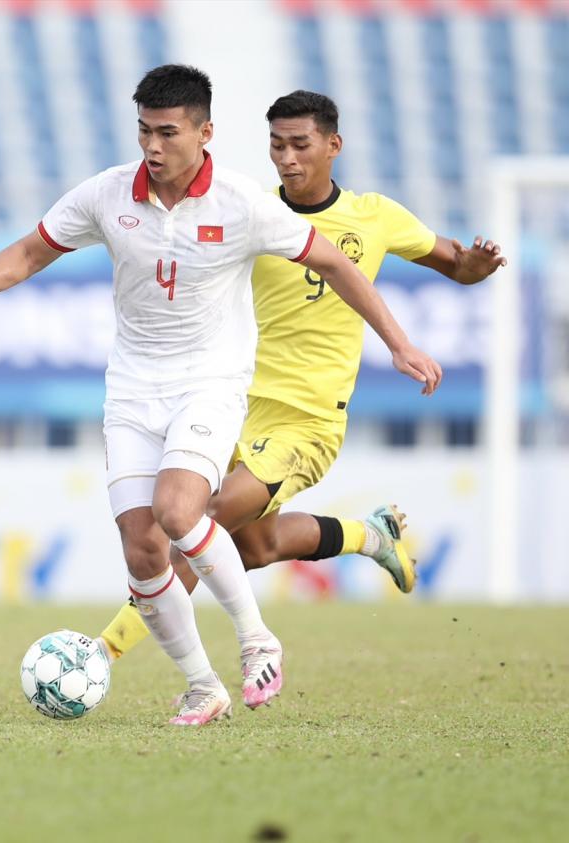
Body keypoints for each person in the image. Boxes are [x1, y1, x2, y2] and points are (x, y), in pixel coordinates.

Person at [0, 66, 442, 726]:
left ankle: (257, 639)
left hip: (212, 385)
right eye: (144, 130)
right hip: (132, 392)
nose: (152, 146)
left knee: (182, 510)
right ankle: (204, 684)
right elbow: (30, 251)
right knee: (149, 553)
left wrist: (398, 344)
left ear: (204, 133)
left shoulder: (241, 203)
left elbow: (336, 262)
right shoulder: (107, 194)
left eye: (167, 132)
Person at [94, 89, 506, 669]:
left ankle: (99, 654)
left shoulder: (376, 217)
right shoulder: (251, 214)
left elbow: (454, 263)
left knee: (194, 525)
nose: (286, 158)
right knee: (252, 547)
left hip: (306, 420)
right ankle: (370, 536)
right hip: (234, 406)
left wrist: (474, 268)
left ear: (332, 146)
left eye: (300, 145)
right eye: (276, 145)